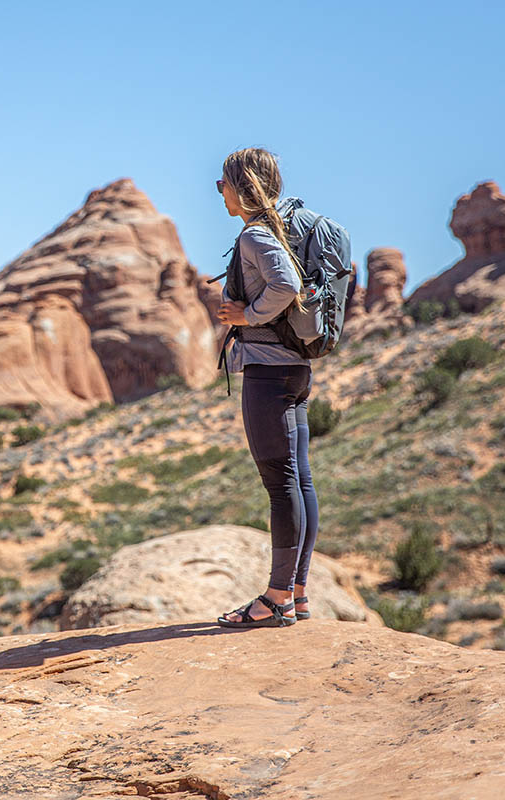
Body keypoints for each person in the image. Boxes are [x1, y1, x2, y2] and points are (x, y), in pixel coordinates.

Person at [213, 147, 320, 628]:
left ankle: (276, 598)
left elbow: (285, 282)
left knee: (281, 486)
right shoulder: (280, 227)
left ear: (243, 186)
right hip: (294, 369)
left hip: (268, 372)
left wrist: (248, 316)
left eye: (223, 183)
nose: (220, 192)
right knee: (300, 481)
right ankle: (295, 593)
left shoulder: (257, 234)